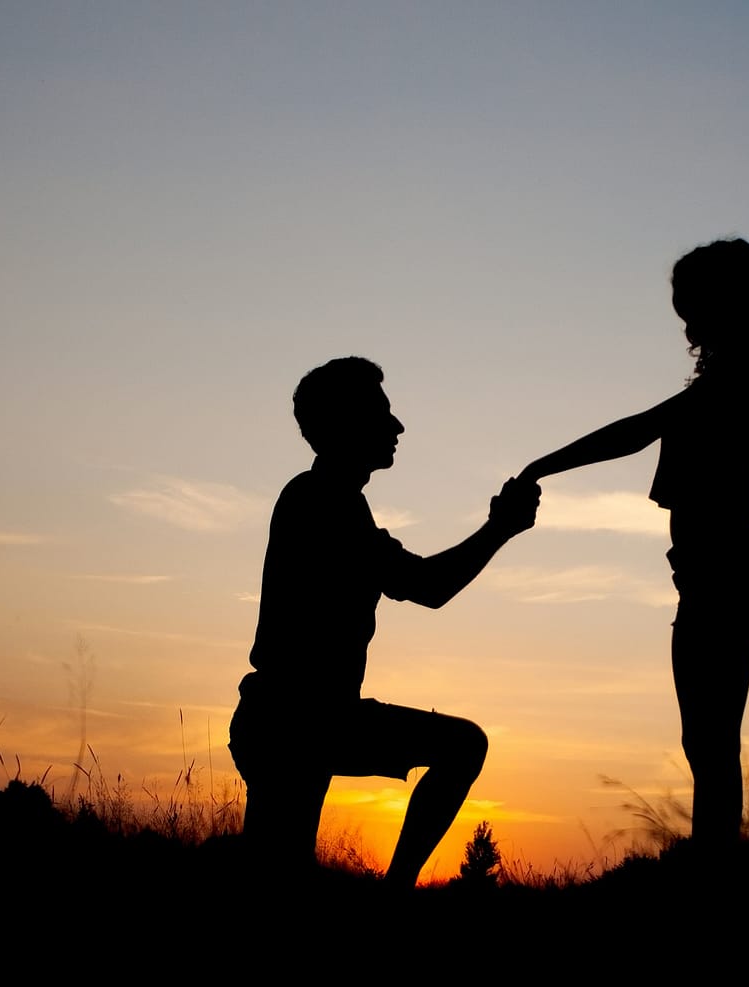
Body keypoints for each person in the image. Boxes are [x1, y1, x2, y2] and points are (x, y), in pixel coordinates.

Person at [230, 356, 539, 888]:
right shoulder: (322, 502)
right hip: (294, 723)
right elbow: (429, 587)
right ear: (344, 424)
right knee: (275, 880)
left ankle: (394, 892)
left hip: (302, 721)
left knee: (277, 876)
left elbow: (423, 583)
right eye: (382, 413)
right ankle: (395, 893)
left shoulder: (336, 503)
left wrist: (499, 528)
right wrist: (501, 528)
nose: (397, 427)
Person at [518, 237, 749, 848]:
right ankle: (711, 857)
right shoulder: (732, 373)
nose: (686, 321)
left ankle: (712, 862)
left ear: (725, 303)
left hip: (726, 570)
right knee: (707, 738)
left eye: (692, 306)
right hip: (715, 570)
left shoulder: (734, 377)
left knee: (711, 739)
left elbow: (637, 431)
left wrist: (542, 464)